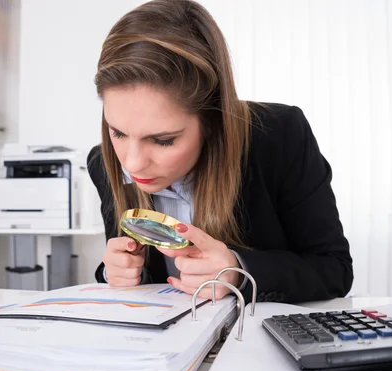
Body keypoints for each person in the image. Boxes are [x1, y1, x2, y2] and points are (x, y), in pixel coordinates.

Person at [87, 0, 353, 303]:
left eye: (162, 140)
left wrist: (238, 271)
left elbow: (333, 269)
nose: (132, 163)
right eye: (118, 132)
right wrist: (115, 271)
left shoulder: (279, 136)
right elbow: (135, 270)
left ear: (213, 119)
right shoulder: (101, 162)